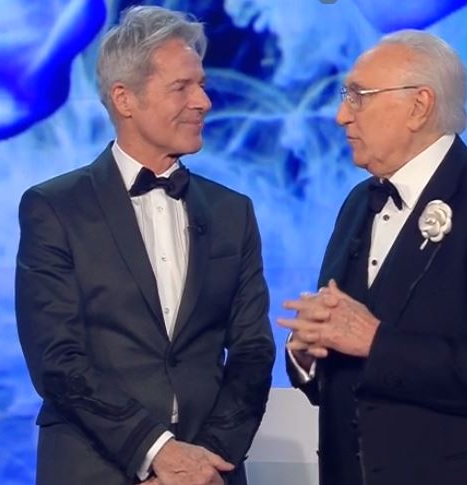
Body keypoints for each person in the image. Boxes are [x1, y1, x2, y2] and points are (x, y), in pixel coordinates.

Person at [279, 29, 467, 485]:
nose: (341, 115)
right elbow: (347, 370)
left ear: (419, 106)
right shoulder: (357, 204)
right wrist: (310, 354)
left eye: (359, 96)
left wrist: (376, 342)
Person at [15, 6, 275, 485]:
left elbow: (253, 352)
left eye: (202, 84)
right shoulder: (54, 208)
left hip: (209, 472)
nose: (203, 101)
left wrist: (205, 461)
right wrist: (158, 452)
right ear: (124, 99)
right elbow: (57, 359)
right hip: (95, 468)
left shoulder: (232, 212)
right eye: (182, 87)